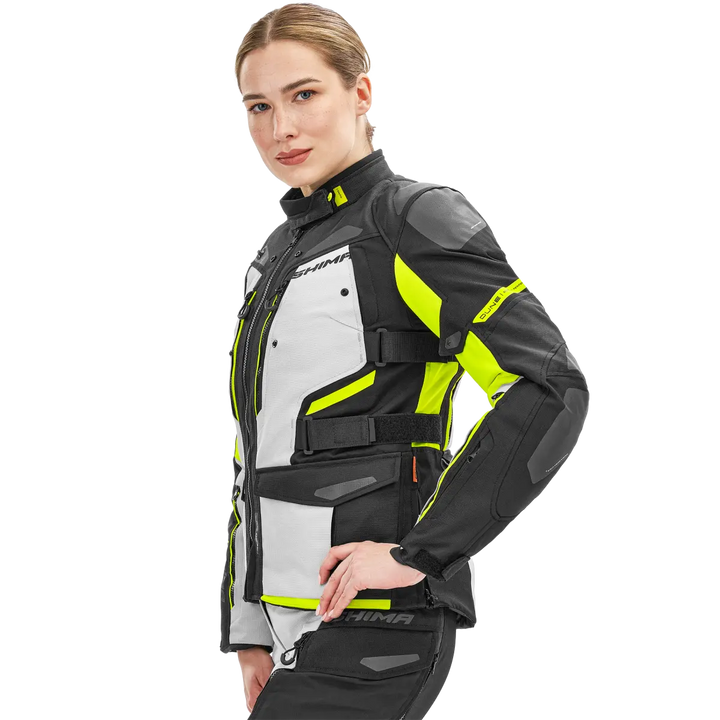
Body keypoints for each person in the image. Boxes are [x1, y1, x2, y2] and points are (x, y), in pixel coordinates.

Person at [218, 2, 591, 717]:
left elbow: (550, 385)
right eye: (257, 106)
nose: (280, 128)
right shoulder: (272, 255)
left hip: (377, 620)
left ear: (362, 91)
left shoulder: (413, 217)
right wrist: (248, 630)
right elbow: (253, 451)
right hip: (286, 622)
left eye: (304, 94)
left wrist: (420, 555)